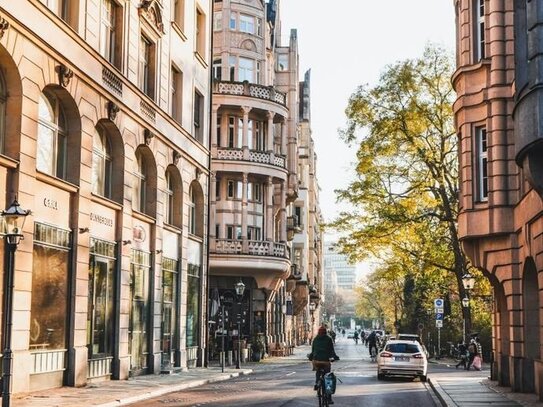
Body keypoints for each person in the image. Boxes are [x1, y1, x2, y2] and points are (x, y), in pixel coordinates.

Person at [310, 326, 339, 405]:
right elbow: (331, 350)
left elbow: (312, 351)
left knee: (318, 371)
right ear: (326, 332)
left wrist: (310, 357)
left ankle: (317, 383)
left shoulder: (315, 339)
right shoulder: (329, 339)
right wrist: (335, 357)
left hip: (316, 361)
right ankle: (329, 398)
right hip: (326, 361)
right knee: (328, 377)